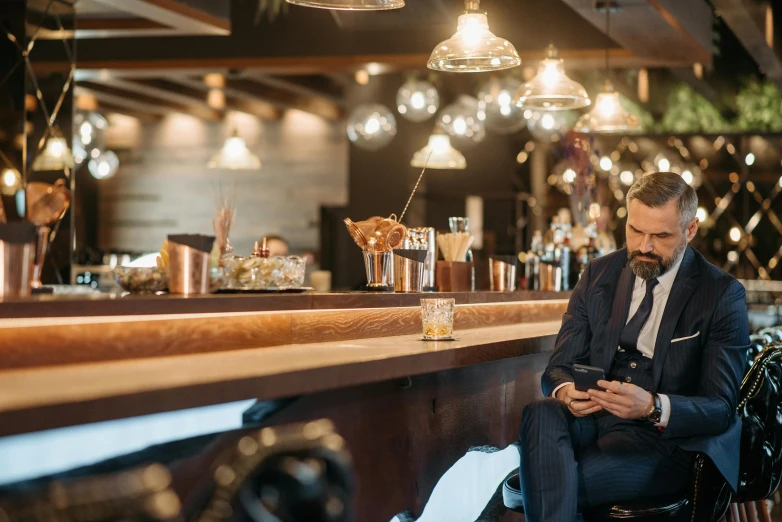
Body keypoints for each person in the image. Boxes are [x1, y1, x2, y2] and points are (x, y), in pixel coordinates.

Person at [393, 172, 749, 522]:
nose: (644, 246)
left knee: (543, 484)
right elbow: (558, 367)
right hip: (592, 421)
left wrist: (653, 407)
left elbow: (721, 406)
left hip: (662, 441)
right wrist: (565, 392)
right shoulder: (598, 274)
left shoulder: (719, 293)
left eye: (660, 236)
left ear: (690, 229)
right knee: (541, 413)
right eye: (636, 231)